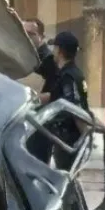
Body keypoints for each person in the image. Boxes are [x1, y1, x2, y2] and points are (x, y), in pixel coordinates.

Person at [32, 31, 90, 168]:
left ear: (60, 51)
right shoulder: (69, 74)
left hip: (68, 140)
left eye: (55, 47)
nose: (53, 51)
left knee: (64, 177)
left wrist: (86, 138)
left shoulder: (69, 76)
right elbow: (55, 97)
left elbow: (75, 109)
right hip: (62, 139)